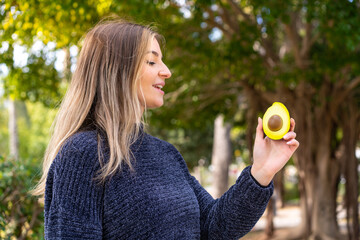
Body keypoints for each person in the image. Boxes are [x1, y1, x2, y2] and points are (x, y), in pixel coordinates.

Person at [32, 19, 299, 240]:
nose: (167, 71)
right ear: (117, 70)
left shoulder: (165, 154)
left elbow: (215, 227)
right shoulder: (81, 154)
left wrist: (261, 172)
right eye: (152, 61)